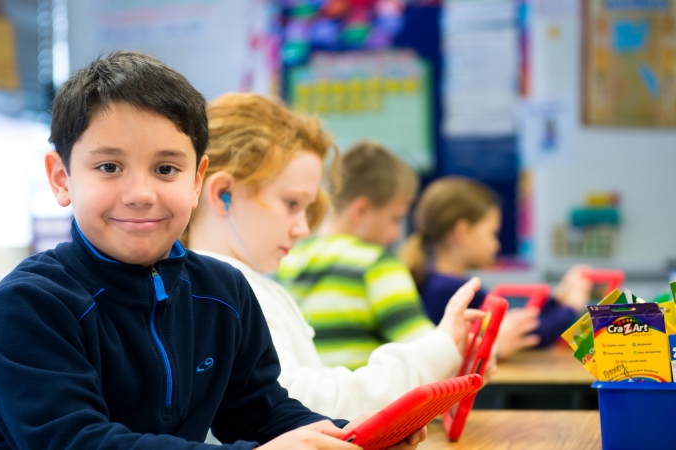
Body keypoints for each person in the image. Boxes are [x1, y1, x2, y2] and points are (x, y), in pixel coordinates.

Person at [0, 52, 422, 450]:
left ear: (197, 181)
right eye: (109, 166)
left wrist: (357, 437)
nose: (141, 193)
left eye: (167, 169)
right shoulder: (30, 304)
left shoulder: (224, 291)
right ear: (61, 178)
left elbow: (262, 413)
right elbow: (77, 441)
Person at [186, 93, 485, 420]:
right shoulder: (224, 293)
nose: (302, 228)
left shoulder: (243, 283)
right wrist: (438, 352)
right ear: (222, 194)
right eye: (291, 203)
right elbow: (305, 407)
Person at [276, 141, 437, 370]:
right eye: (396, 219)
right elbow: (426, 350)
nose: (395, 234)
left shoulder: (290, 259)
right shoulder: (377, 263)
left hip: (304, 402)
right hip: (367, 402)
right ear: (361, 211)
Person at [399, 176, 592, 358]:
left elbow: (514, 318)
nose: (497, 245)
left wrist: (557, 300)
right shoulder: (454, 292)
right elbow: (528, 335)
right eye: (492, 233)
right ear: (463, 232)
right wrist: (570, 307)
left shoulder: (437, 282)